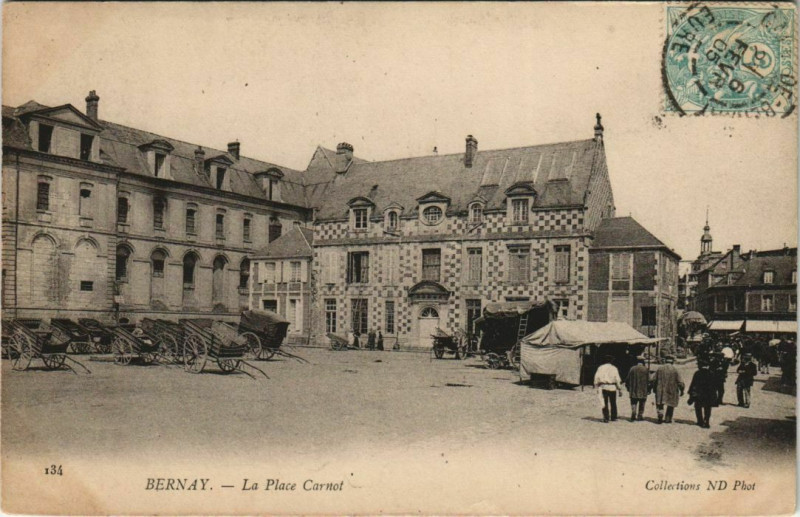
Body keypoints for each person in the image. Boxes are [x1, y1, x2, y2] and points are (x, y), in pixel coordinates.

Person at [652, 356, 684, 424]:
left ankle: (660, 413)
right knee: (670, 404)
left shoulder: (659, 369)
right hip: (672, 390)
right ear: (672, 362)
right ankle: (668, 418)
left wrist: (654, 388)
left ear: (665, 361)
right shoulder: (675, 370)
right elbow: (680, 382)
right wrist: (682, 390)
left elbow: (653, 380)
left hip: (660, 389)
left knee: (660, 402)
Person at [594, 355, 622, 423]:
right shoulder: (614, 368)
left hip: (603, 387)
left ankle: (606, 417)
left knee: (604, 402)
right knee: (613, 402)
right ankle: (613, 417)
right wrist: (619, 389)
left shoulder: (600, 368)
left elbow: (596, 378)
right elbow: (617, 379)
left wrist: (596, 386)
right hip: (612, 387)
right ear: (611, 361)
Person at [688, 360, 717, 428]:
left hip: (699, 394)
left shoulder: (697, 373)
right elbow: (714, 385)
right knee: (707, 408)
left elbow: (693, 384)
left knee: (698, 407)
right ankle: (706, 421)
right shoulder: (711, 373)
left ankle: (700, 421)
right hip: (708, 395)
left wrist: (691, 394)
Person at [625, 356, 650, 422]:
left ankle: (633, 412)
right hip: (643, 389)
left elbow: (627, 379)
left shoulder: (632, 369)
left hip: (633, 389)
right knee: (642, 402)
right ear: (643, 362)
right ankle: (640, 415)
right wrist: (649, 389)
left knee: (633, 401)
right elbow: (649, 380)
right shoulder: (645, 369)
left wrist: (628, 387)